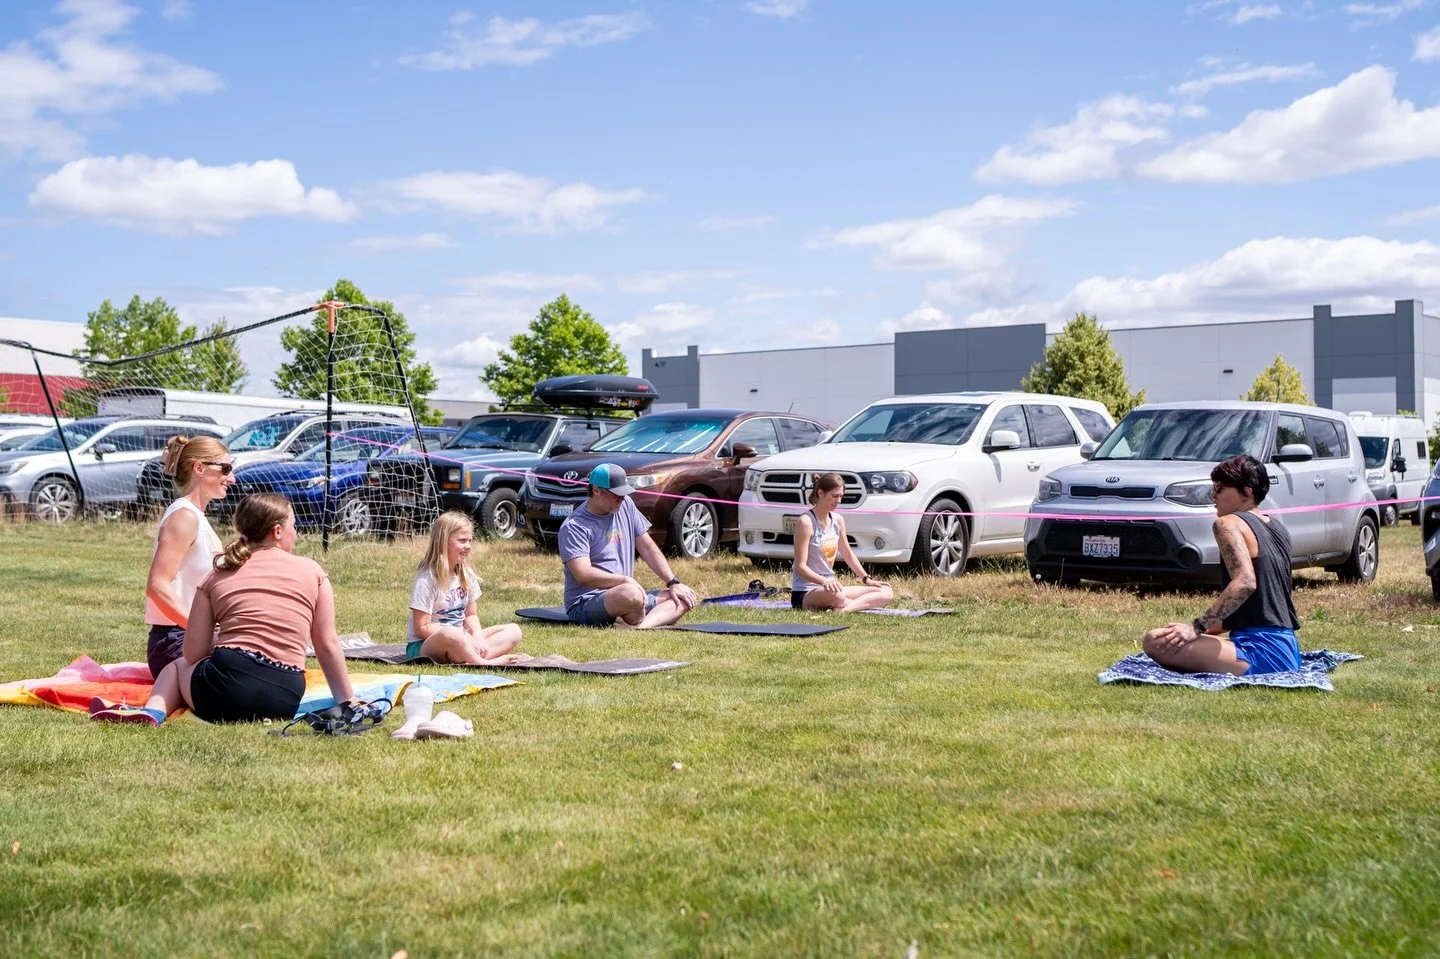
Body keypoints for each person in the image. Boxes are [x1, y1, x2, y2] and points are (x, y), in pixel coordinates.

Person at [91, 493, 359, 725]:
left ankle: (154, 711)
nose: (296, 532)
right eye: (294, 526)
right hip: (284, 695)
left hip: (222, 692)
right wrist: (347, 699)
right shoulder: (313, 572)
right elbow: (326, 643)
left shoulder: (217, 575)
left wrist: (223, 637)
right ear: (277, 531)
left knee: (176, 666)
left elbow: (193, 653)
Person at [1143, 454, 1302, 676]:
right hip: (1287, 649)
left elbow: (1245, 583)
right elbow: (1263, 607)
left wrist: (1195, 628)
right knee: (1173, 636)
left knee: (1155, 641)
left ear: (1247, 491)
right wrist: (1196, 630)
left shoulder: (1227, 523)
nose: (1213, 495)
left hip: (1262, 653)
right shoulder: (1277, 527)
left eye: (1220, 488)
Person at [559, 463, 699, 628]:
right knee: (631, 595)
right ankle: (637, 614)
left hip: (627, 592)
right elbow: (583, 574)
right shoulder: (574, 526)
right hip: (586, 604)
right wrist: (625, 580)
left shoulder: (626, 505)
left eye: (624, 493)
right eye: (616, 494)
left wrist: (673, 582)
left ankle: (639, 626)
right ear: (596, 490)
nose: (622, 498)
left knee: (684, 596)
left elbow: (648, 548)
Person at [143, 434, 234, 678]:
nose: (232, 478)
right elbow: (157, 586)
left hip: (187, 635)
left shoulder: (196, 517)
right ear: (199, 468)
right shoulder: (184, 517)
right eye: (225, 469)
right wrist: (202, 633)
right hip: (175, 641)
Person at [407, 511, 522, 664]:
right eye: (462, 541)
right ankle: (483, 662)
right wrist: (462, 635)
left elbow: (471, 615)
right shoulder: (427, 579)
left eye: (470, 541)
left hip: (461, 639)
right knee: (451, 633)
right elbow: (421, 628)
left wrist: (477, 636)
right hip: (425, 646)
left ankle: (469, 655)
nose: (468, 546)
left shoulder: (466, 574)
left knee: (514, 630)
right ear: (443, 542)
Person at [791, 472, 894, 612]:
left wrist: (866, 579)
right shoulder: (805, 522)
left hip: (833, 588)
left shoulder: (837, 520)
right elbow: (800, 567)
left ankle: (844, 609)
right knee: (838, 596)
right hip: (807, 591)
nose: (838, 501)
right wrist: (824, 581)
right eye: (835, 496)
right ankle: (855, 605)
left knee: (886, 591)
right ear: (820, 493)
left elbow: (848, 555)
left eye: (841, 496)